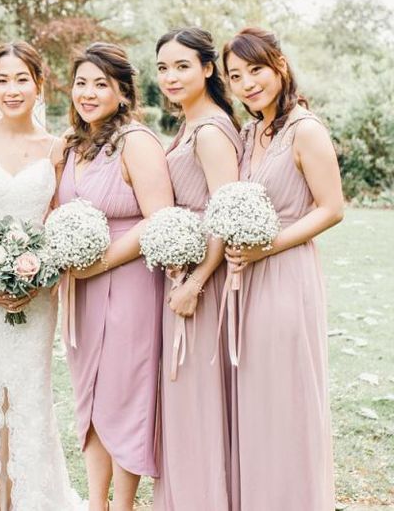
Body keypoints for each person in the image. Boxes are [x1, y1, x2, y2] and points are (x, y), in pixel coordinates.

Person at [0, 42, 81, 511]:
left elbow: (62, 222)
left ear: (38, 85)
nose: (12, 89)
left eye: (21, 78)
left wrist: (41, 277)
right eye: (1, 80)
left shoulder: (57, 146)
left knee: (26, 395)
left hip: (39, 292)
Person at [223, 27, 342, 510]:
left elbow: (331, 208)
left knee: (286, 395)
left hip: (286, 273)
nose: (248, 83)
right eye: (236, 76)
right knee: (256, 398)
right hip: (246, 278)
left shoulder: (304, 129)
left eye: (256, 70)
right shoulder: (251, 131)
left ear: (280, 67)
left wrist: (266, 247)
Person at [56, 42, 173, 511]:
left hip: (129, 282)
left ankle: (121, 505)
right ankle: (96, 503)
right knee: (90, 399)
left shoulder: (137, 141)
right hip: (81, 290)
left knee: (123, 396)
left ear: (123, 92)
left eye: (100, 84)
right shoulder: (71, 145)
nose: (88, 92)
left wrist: (99, 263)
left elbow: (158, 216)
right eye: (81, 82)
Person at [152, 28, 242, 510]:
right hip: (184, 276)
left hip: (204, 285)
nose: (170, 76)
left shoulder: (209, 131)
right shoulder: (189, 124)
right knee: (185, 401)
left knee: (198, 400)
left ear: (208, 68)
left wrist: (196, 283)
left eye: (182, 65)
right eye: (163, 67)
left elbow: (223, 216)